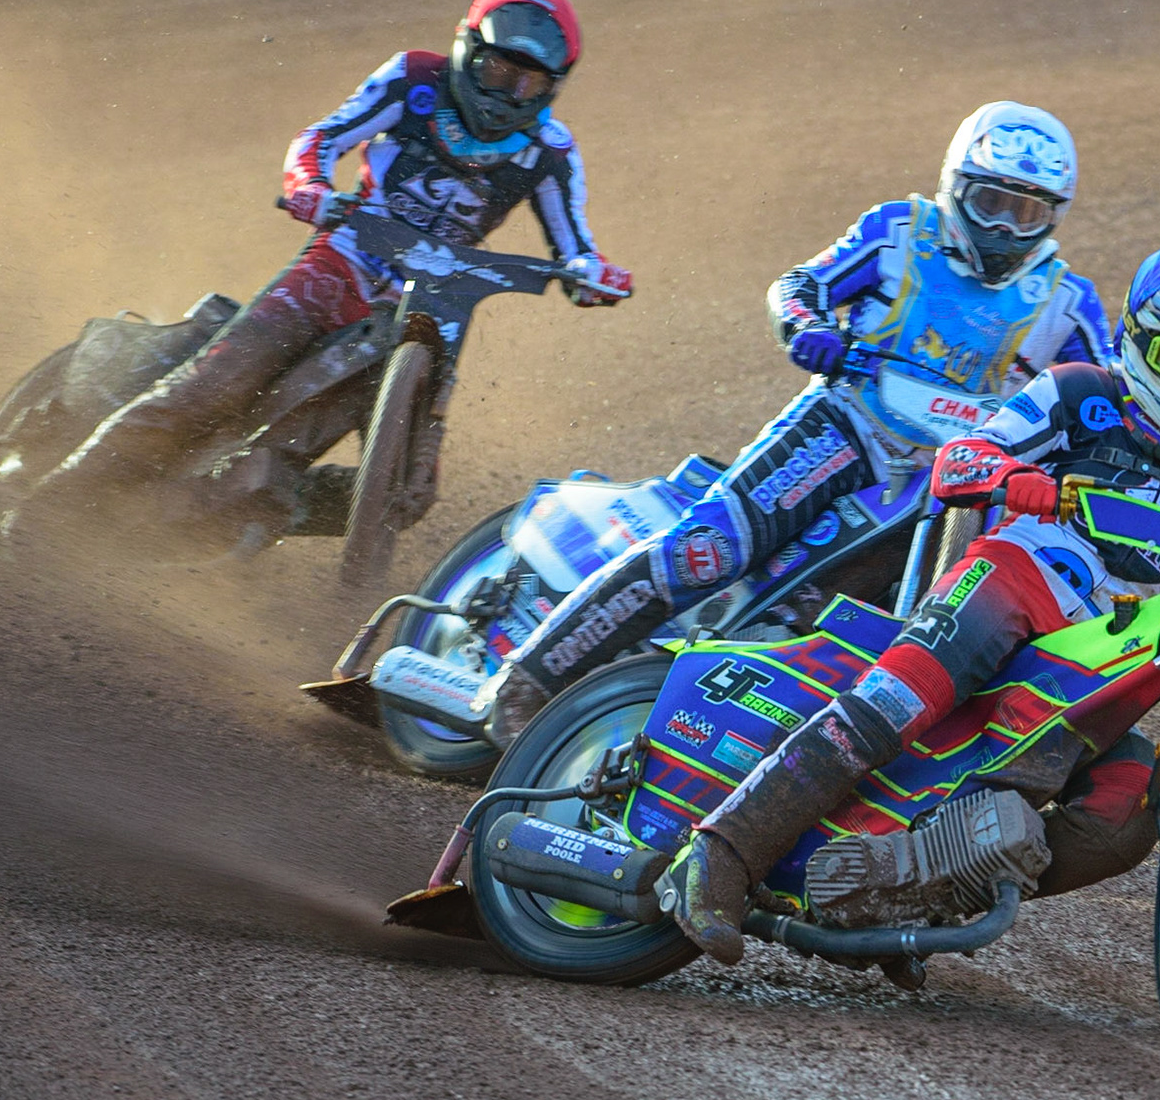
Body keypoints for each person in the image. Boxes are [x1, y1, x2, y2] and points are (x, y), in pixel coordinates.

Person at [658, 243, 1160, 964]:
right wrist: (1017, 480)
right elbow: (961, 457)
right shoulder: (1078, 393)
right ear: (1138, 343)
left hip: (1098, 645)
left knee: (1128, 813)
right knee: (891, 703)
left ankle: (916, 890)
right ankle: (716, 855)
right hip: (1012, 578)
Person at [474, 101, 1113, 741]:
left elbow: (1107, 404)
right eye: (990, 203)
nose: (1003, 227)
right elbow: (799, 285)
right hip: (848, 426)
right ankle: (528, 679)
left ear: (1052, 216)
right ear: (956, 187)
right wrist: (807, 327)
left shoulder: (1067, 302)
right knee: (711, 548)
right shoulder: (901, 231)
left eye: (1025, 211)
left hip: (962, 480)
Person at [29, 0, 631, 525]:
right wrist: (309, 188)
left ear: (553, 86)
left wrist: (592, 274)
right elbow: (322, 136)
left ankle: (247, 513)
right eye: (499, 71)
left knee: (408, 494)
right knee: (212, 387)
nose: (508, 92)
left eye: (528, 81)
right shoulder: (414, 79)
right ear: (467, 50)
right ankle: (49, 506)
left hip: (432, 311)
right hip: (343, 261)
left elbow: (576, 244)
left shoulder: (550, 151)